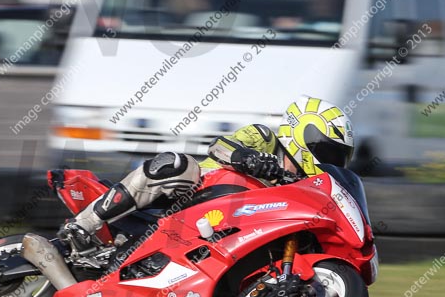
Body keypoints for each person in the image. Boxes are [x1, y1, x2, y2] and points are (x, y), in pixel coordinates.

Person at [58, 96, 355, 251]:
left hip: (221, 231)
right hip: (194, 196)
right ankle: (84, 224)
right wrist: (250, 159)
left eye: (338, 158)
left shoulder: (305, 188)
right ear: (304, 134)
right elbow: (221, 147)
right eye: (328, 151)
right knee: (177, 163)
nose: (331, 162)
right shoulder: (265, 138)